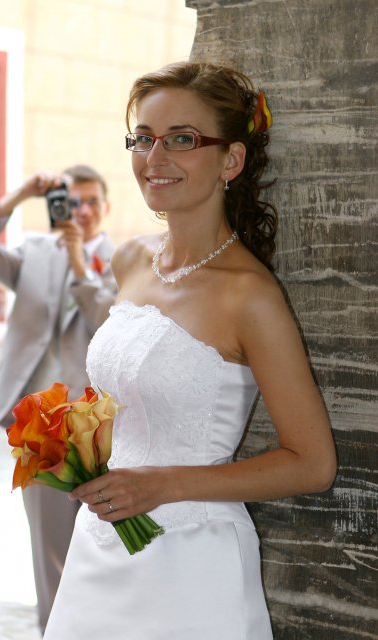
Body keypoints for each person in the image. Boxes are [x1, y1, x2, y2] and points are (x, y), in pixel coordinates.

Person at [43, 62, 337, 639]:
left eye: (182, 140)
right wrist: (69, 444)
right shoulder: (130, 259)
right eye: (144, 138)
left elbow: (312, 463)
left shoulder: (249, 296)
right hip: (98, 552)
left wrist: (161, 484)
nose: (154, 158)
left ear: (231, 160)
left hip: (192, 564)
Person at [0, 164, 117, 634]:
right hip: (39, 431)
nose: (81, 211)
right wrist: (17, 197)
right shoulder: (34, 253)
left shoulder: (123, 261)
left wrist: (78, 263)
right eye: (72, 201)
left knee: (108, 547)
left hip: (98, 428)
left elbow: (108, 322)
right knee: (50, 553)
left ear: (106, 207)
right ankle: (53, 631)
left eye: (91, 201)